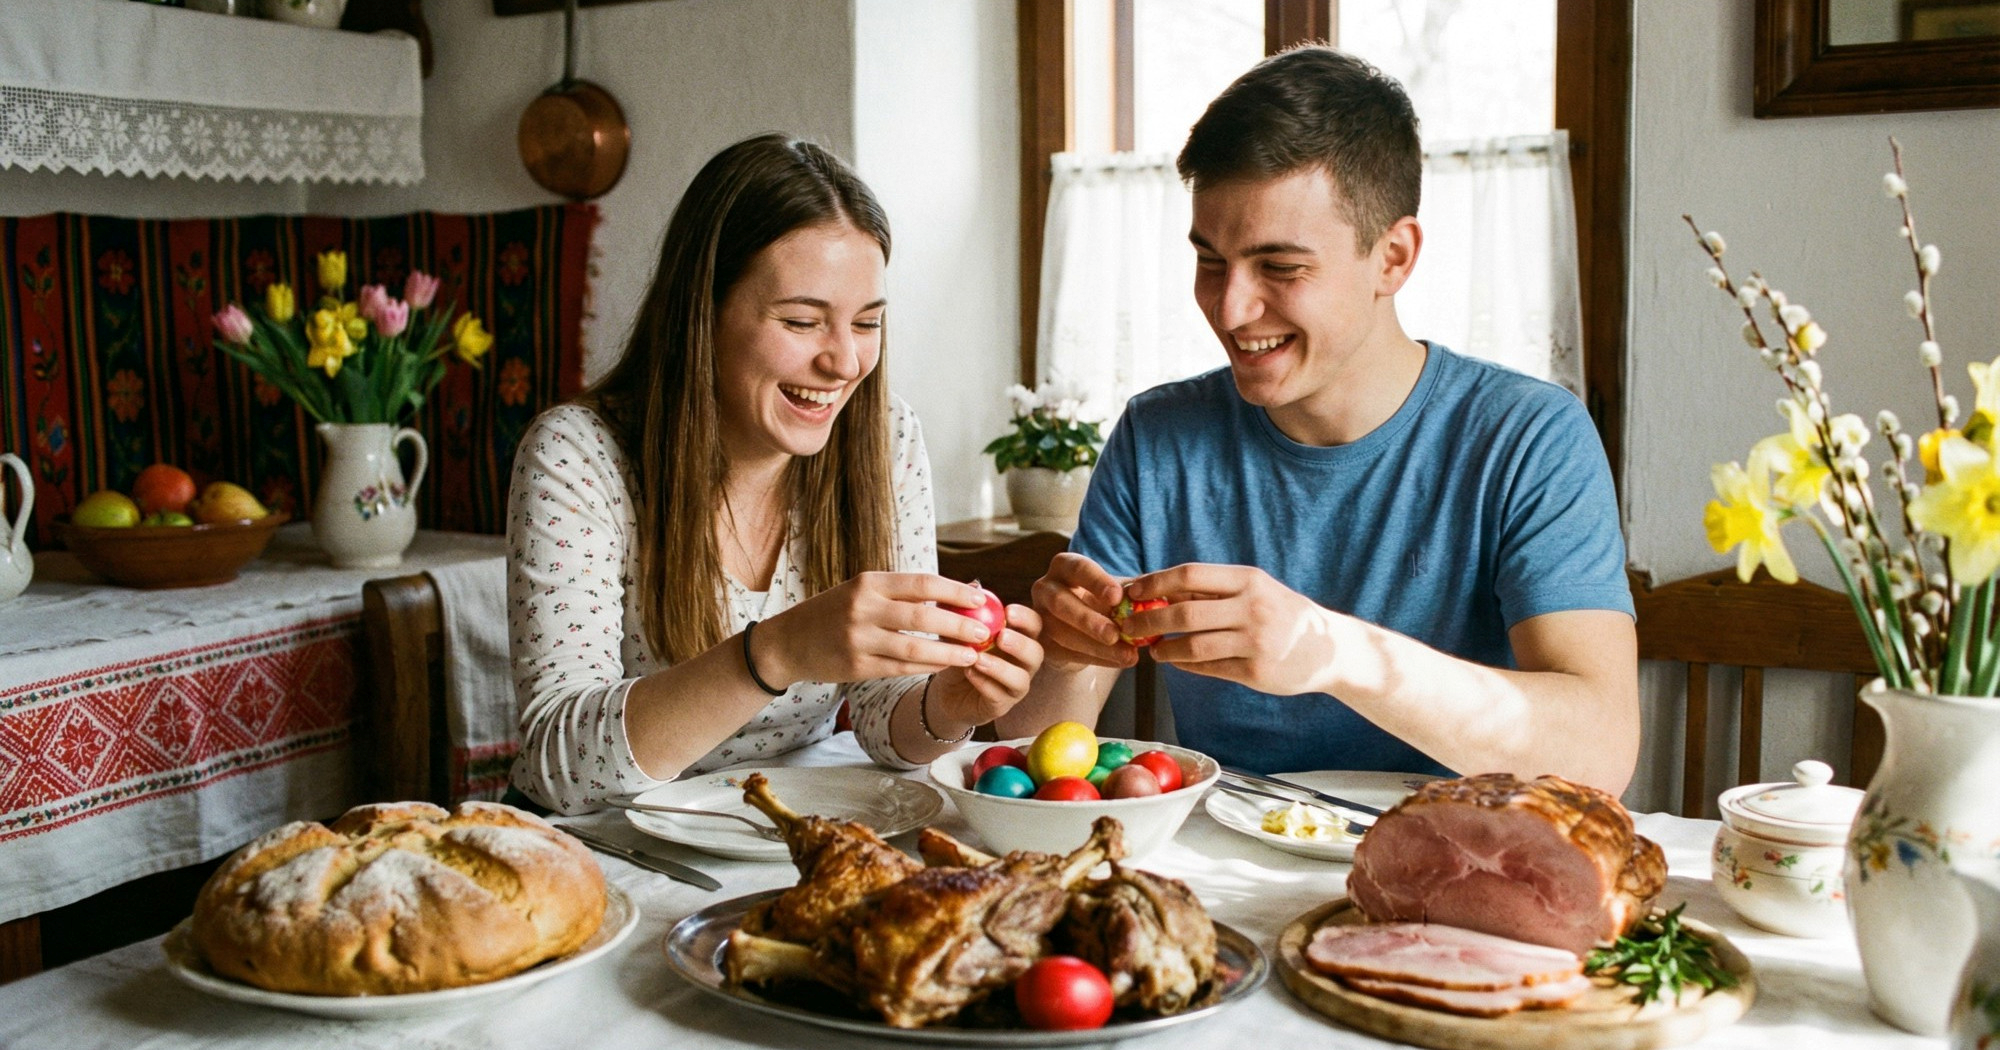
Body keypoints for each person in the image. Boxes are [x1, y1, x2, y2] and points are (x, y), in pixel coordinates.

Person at [1004, 47, 1639, 795]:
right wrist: (1072, 653)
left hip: (1464, 865)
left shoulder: (1530, 436)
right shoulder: (1158, 435)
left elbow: (1601, 749)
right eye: (1212, 261)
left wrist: (1334, 652)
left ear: (1393, 258)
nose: (1231, 309)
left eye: (1280, 267)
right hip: (1226, 869)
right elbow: (1031, 755)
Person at [507, 134, 1045, 814]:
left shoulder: (884, 439)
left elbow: (884, 719)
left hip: (788, 829)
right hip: (613, 846)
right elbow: (560, 763)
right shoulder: (581, 454)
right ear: (701, 312)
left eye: (868, 323)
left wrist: (947, 705)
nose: (846, 362)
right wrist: (775, 652)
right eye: (801, 321)